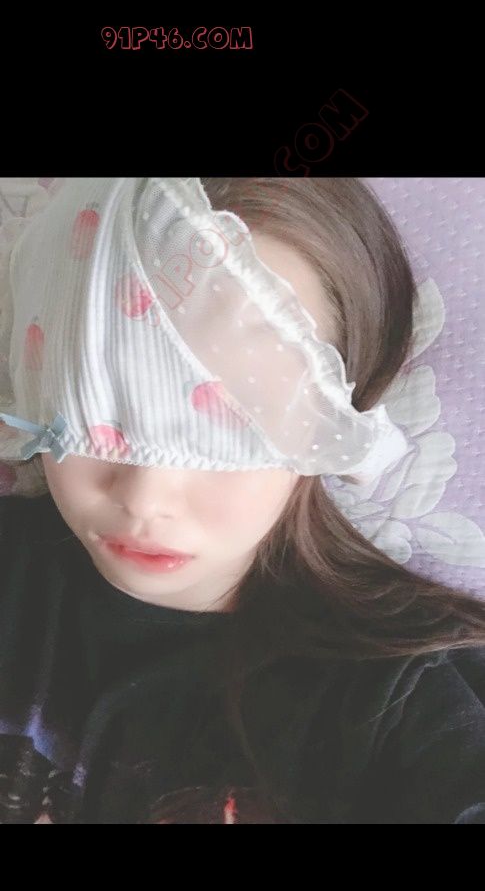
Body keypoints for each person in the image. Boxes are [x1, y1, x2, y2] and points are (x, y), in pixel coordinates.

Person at [0, 177, 484, 825]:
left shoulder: (408, 701)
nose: (144, 497)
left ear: (332, 422)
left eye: (229, 424)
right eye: (98, 406)